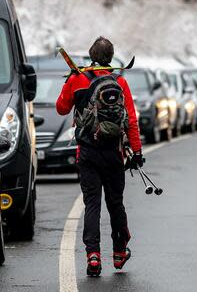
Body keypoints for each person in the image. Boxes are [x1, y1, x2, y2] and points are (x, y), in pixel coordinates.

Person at [56, 37, 143, 277]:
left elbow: (61, 108)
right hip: (114, 154)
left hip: (87, 153)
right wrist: (136, 152)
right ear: (111, 57)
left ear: (91, 54)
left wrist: (73, 87)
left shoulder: (77, 78)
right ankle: (119, 251)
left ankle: (93, 256)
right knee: (115, 204)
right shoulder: (120, 82)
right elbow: (131, 121)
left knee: (92, 204)